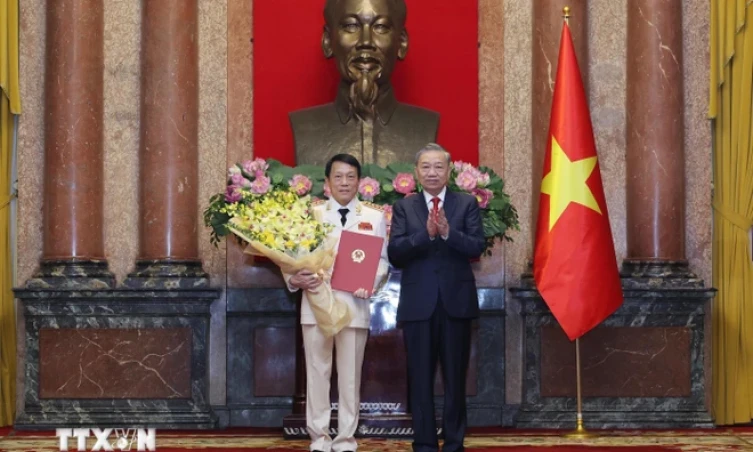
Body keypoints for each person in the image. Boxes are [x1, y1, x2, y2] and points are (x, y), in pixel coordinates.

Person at [285, 153, 389, 452]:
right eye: (338, 176)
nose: (344, 182)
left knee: (350, 375)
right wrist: (295, 279)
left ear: (360, 181)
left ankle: (345, 438)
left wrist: (369, 280)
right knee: (317, 373)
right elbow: (291, 257)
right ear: (327, 182)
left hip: (353, 306)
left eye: (350, 176)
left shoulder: (374, 216)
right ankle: (319, 437)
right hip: (316, 303)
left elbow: (382, 261)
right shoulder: (311, 214)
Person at [387, 143, 485, 452]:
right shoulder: (405, 207)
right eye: (426, 167)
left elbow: (476, 246)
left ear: (449, 171)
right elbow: (396, 253)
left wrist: (446, 233)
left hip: (456, 302)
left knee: (455, 379)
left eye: (438, 167)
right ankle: (425, 443)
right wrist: (425, 235)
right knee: (420, 379)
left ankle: (454, 443)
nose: (432, 172)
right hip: (418, 305)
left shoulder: (466, 204)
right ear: (416, 172)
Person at [290, 0, 439, 167]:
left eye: (381, 27)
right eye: (351, 26)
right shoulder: (305, 126)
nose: (366, 42)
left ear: (402, 43)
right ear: (327, 41)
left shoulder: (424, 125)